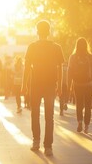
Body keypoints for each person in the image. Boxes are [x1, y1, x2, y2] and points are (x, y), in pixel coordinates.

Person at [22, 20, 64, 156]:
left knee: (35, 113)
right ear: (49, 31)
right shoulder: (56, 47)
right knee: (49, 115)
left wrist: (24, 85)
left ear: (37, 31)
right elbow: (60, 68)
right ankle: (48, 146)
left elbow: (27, 67)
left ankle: (36, 141)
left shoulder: (32, 47)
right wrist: (61, 84)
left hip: (36, 84)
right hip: (51, 85)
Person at [68, 38, 92, 133]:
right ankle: (87, 126)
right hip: (89, 85)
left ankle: (80, 122)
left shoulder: (73, 57)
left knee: (79, 104)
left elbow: (70, 71)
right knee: (88, 105)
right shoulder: (91, 57)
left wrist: (69, 85)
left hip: (77, 84)